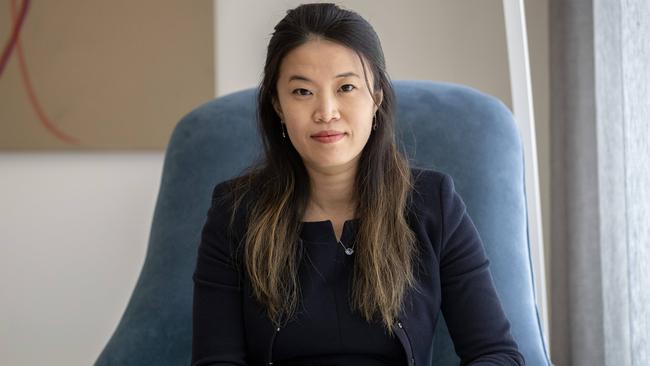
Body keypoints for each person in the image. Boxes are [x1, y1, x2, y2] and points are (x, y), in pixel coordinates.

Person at [191, 3, 525, 365]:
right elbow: (216, 360)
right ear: (277, 105)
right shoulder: (235, 212)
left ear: (376, 98)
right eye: (303, 92)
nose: (326, 111)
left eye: (346, 87)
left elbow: (496, 353)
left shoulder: (433, 204)